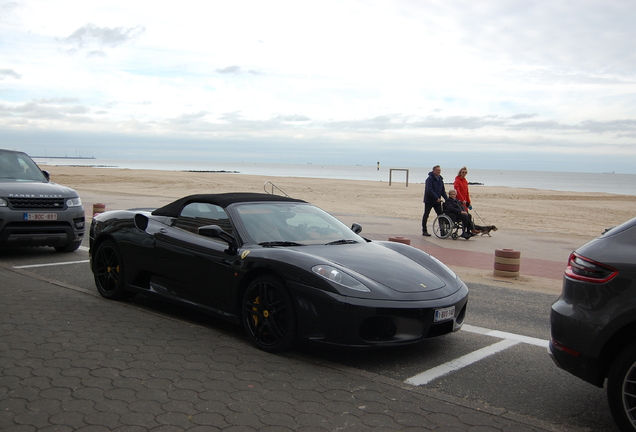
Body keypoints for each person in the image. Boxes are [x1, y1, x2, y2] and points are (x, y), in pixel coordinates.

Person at [421, 165, 447, 236]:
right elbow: (429, 190)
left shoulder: (440, 179)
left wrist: (447, 199)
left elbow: (442, 191)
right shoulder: (429, 179)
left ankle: (442, 231)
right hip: (429, 200)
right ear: (434, 171)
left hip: (437, 202)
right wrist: (436, 198)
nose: (439, 171)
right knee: (426, 215)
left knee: (440, 215)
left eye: (439, 170)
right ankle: (424, 230)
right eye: (437, 170)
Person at [454, 166, 477, 233]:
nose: (464, 173)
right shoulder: (457, 180)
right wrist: (462, 200)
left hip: (465, 201)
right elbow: (457, 191)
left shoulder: (465, 181)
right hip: (459, 201)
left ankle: (470, 230)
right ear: (460, 172)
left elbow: (467, 192)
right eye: (463, 172)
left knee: (468, 215)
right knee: (465, 216)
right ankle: (467, 231)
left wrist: (468, 201)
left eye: (465, 172)